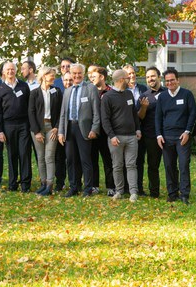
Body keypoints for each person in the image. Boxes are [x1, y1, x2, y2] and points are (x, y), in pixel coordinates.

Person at [58, 63, 100, 197]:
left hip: (85, 129)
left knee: (85, 159)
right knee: (70, 159)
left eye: (79, 73)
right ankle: (74, 186)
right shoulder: (68, 90)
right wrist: (60, 131)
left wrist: (94, 129)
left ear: (83, 74)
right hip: (69, 128)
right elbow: (63, 113)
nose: (76, 76)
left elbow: (96, 112)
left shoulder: (91, 88)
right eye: (74, 73)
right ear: (70, 73)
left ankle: (88, 189)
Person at [155, 68, 196, 204]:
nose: (170, 83)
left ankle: (184, 194)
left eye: (172, 80)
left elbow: (193, 114)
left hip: (182, 136)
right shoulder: (162, 97)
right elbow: (158, 117)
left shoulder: (187, 94)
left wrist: (187, 131)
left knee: (184, 164)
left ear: (178, 80)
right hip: (166, 137)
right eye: (167, 81)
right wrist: (159, 135)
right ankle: (172, 193)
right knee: (169, 166)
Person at [101, 69, 141, 203]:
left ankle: (133, 192)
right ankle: (119, 191)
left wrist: (138, 129)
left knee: (131, 165)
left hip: (131, 137)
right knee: (117, 166)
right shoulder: (107, 97)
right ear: (121, 80)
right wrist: (111, 136)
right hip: (116, 138)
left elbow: (134, 114)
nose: (130, 79)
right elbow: (105, 119)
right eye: (127, 77)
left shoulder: (129, 94)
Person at [0, 62, 32, 192]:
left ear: (16, 71)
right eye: (8, 70)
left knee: (24, 154)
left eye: (12, 69)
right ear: (4, 72)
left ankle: (25, 185)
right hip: (8, 126)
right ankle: (12, 184)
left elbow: (29, 107)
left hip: (23, 125)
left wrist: (30, 125)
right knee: (12, 155)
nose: (10, 71)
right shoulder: (0, 89)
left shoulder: (23, 86)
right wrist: (0, 131)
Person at [29, 67, 63, 196]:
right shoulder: (34, 93)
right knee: (40, 157)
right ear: (43, 76)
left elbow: (61, 111)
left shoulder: (57, 91)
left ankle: (49, 185)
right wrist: (37, 131)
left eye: (54, 75)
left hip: (52, 128)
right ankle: (43, 184)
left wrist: (57, 127)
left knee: (49, 156)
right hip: (38, 128)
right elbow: (31, 113)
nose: (53, 77)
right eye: (51, 75)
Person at [136, 67, 166, 198]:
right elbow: (140, 117)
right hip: (150, 135)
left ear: (159, 77)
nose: (150, 79)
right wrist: (143, 107)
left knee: (171, 165)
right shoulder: (144, 96)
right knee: (152, 165)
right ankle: (154, 192)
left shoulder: (167, 93)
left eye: (153, 76)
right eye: (148, 77)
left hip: (168, 134)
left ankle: (174, 190)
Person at [90, 67, 115, 196]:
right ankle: (94, 185)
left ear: (102, 77)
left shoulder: (111, 92)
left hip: (106, 132)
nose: (91, 78)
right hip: (93, 131)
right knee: (93, 159)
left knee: (107, 160)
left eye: (94, 76)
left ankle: (111, 186)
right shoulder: (90, 91)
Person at [123, 64, 148, 196]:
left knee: (139, 160)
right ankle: (126, 187)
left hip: (140, 128)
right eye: (129, 74)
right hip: (125, 130)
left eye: (133, 73)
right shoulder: (121, 90)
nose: (132, 76)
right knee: (125, 160)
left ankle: (138, 187)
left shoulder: (143, 89)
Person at [54, 71, 74, 191]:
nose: (68, 82)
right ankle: (60, 182)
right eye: (66, 80)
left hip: (73, 130)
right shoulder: (58, 94)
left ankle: (74, 182)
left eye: (70, 80)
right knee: (59, 158)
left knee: (72, 158)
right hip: (60, 130)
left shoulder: (77, 93)